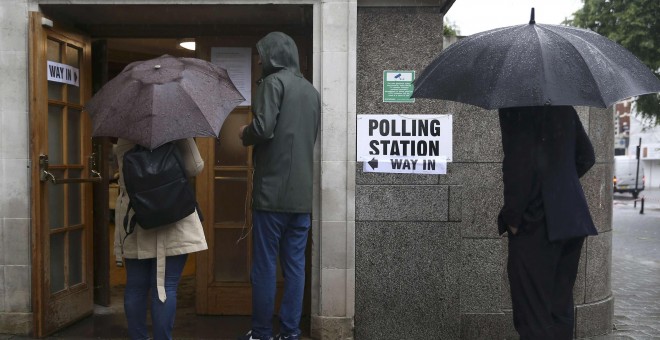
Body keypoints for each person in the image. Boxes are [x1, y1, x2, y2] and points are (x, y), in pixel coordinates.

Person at [237, 32, 320, 340]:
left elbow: (264, 128)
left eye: (262, 54)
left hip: (271, 194)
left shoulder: (272, 84)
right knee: (296, 267)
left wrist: (245, 132)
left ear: (272, 56)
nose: (259, 60)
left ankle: (260, 333)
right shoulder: (311, 92)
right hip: (301, 197)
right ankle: (290, 332)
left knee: (265, 267)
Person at [498, 106, 598, 340]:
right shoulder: (564, 109)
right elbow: (587, 156)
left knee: (533, 315)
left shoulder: (515, 109)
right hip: (572, 220)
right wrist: (559, 185)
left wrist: (513, 219)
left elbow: (517, 167)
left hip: (536, 224)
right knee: (559, 308)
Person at [113, 137, 207, 340]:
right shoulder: (176, 125)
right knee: (165, 285)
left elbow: (124, 174)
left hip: (135, 215)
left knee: (136, 285)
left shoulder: (125, 130)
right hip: (173, 212)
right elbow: (195, 166)